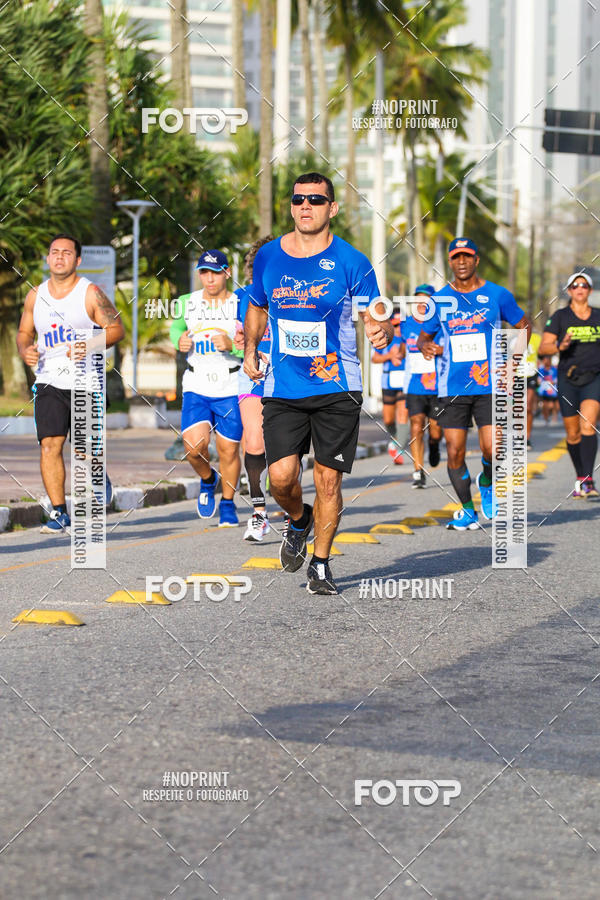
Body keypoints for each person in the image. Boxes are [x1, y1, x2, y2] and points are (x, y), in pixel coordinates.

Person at [243, 172, 393, 594]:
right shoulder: (269, 257)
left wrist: (378, 329)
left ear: (332, 208)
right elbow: (257, 306)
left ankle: (322, 564)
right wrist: (251, 347)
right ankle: (299, 519)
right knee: (281, 480)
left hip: (336, 386)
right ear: (291, 206)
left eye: (315, 199)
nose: (305, 205)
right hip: (284, 387)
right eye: (298, 199)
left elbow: (373, 311)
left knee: (328, 480)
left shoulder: (351, 260)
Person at [417, 237, 530, 531]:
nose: (462, 262)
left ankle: (487, 481)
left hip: (489, 384)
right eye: (456, 257)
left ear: (476, 260)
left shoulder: (497, 295)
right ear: (450, 262)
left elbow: (524, 325)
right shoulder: (440, 299)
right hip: (451, 387)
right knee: (454, 451)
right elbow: (423, 336)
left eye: (467, 256)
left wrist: (512, 360)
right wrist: (426, 346)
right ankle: (468, 509)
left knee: (493, 449)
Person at [16, 233, 124, 533]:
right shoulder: (35, 295)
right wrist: (25, 349)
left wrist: (90, 344)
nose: (59, 256)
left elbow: (116, 329)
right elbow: (24, 333)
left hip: (86, 382)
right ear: (48, 259)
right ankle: (59, 511)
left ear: (77, 260)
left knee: (82, 448)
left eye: (66, 252)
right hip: (49, 380)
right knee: (50, 445)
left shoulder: (90, 293)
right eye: (54, 252)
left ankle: (97, 473)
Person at [170, 250, 242, 526]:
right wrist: (180, 341)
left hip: (230, 384)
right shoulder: (187, 302)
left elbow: (253, 342)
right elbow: (176, 329)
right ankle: (208, 479)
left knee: (228, 450)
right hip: (196, 383)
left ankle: (227, 503)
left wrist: (232, 346)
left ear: (226, 273)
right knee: (194, 447)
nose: (209, 278)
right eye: (204, 272)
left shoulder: (239, 304)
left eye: (215, 272)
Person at [539, 271, 600, 499]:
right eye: (575, 285)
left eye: (584, 285)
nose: (580, 288)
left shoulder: (598, 316)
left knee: (588, 425)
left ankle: (588, 480)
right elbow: (543, 348)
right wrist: (560, 346)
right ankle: (581, 475)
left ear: (589, 290)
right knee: (573, 434)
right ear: (569, 290)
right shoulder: (560, 317)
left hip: (594, 377)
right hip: (568, 379)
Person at [234, 236, 274, 541]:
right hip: (254, 374)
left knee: (288, 451)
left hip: (291, 374)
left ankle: (290, 511)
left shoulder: (296, 295)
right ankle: (259, 512)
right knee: (254, 441)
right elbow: (236, 338)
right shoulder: (242, 297)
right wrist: (242, 346)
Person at [400, 284, 442, 488]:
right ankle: (418, 471)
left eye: (426, 299)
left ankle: (434, 446)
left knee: (436, 430)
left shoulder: (441, 324)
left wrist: (439, 349)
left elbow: (452, 347)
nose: (421, 303)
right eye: (418, 299)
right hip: (414, 384)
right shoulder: (406, 324)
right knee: (416, 424)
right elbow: (402, 347)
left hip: (437, 385)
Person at [372, 312, 408, 465]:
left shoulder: (408, 339)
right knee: (388, 419)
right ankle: (395, 439)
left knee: (403, 416)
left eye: (401, 325)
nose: (399, 328)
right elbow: (375, 358)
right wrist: (389, 357)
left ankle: (397, 446)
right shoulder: (386, 339)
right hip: (388, 381)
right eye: (395, 325)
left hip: (405, 380)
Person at [524, 331, 541, 448]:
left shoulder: (536, 338)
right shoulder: (511, 336)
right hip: (515, 374)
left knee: (528, 406)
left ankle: (526, 438)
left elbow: (542, 355)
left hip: (531, 374)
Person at [537, 354, 559, 424]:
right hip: (544, 389)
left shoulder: (554, 369)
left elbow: (556, 379)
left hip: (552, 389)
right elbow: (539, 380)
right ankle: (546, 417)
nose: (546, 362)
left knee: (552, 405)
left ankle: (554, 417)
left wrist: (552, 382)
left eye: (548, 360)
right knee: (545, 404)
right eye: (545, 360)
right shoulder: (541, 369)